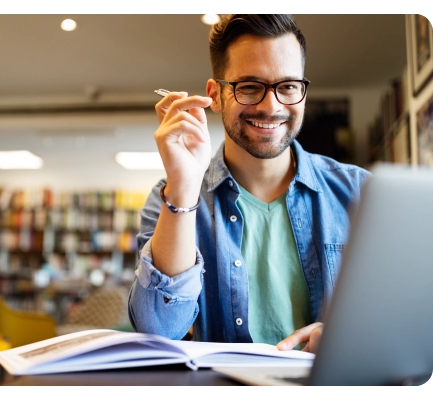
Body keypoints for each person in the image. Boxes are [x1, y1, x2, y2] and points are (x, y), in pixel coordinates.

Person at [128, 14, 370, 353]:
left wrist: (352, 335)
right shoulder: (169, 199)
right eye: (250, 87)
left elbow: (411, 313)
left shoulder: (361, 193)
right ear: (215, 95)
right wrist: (184, 184)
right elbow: (159, 331)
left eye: (287, 87)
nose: (271, 107)